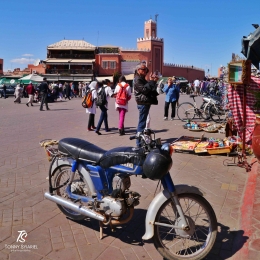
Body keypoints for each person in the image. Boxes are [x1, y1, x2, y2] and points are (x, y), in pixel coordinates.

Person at [134, 63, 159, 147]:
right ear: (138, 70)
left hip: (145, 103)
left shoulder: (142, 79)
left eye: (146, 70)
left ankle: (141, 141)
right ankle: (139, 143)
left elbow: (150, 89)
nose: (145, 71)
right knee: (141, 123)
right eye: (143, 69)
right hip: (142, 103)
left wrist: (153, 81)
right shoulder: (137, 79)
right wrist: (151, 81)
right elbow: (145, 90)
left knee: (143, 123)